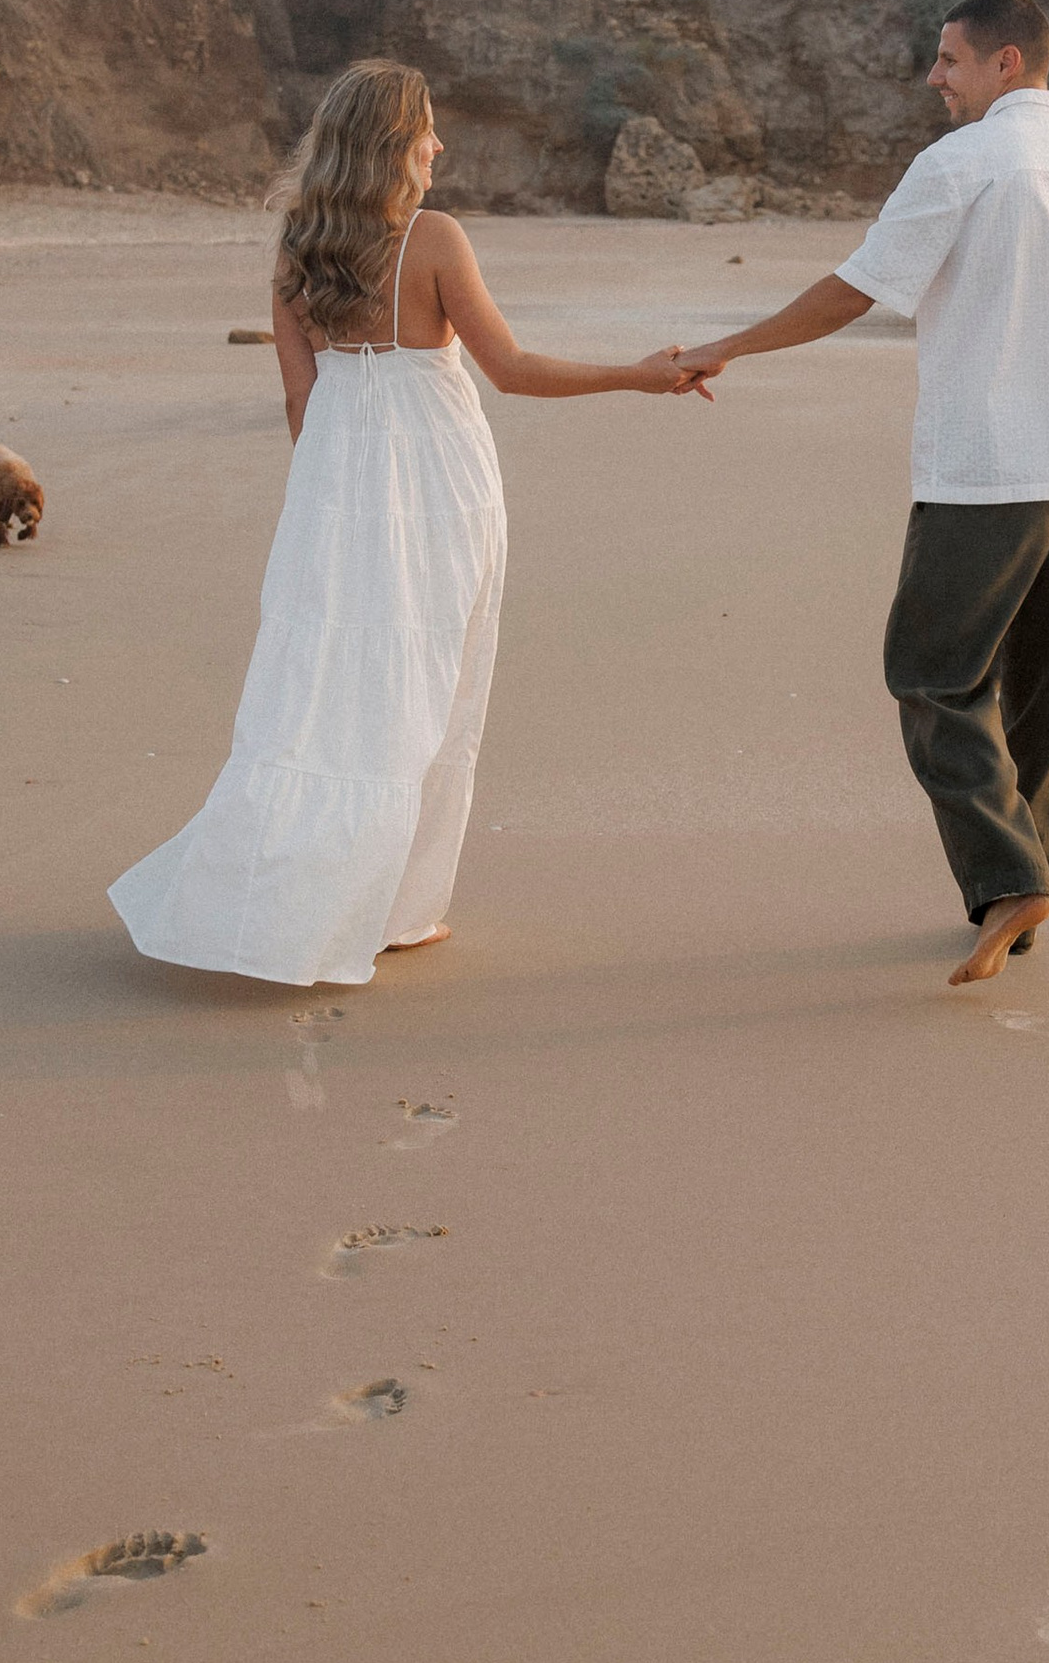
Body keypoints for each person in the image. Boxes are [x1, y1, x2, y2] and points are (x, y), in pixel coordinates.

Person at [112, 58, 705, 988]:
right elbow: (509, 369)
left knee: (323, 686)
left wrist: (330, 507)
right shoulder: (432, 239)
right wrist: (639, 372)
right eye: (428, 129)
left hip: (333, 487)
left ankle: (297, 894)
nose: (439, 145)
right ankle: (397, 910)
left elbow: (300, 403)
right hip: (437, 480)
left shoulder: (295, 244)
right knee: (435, 678)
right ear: (395, 143)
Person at [679, 0, 1049, 986]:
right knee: (1043, 692)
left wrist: (731, 343)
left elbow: (859, 287)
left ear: (1006, 64)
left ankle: (1009, 877)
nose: (933, 78)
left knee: (931, 673)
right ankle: (1019, 901)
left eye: (948, 60)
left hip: (988, 465)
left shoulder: (966, 162)